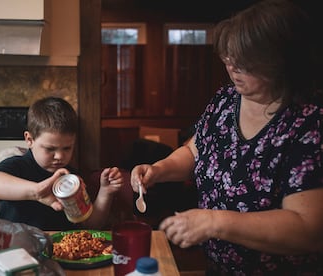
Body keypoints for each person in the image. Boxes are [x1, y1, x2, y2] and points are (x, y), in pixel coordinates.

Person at [130, 0, 323, 274]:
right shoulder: (225, 100)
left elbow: (307, 229)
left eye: (244, 63)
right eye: (229, 59)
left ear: (280, 61)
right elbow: (193, 151)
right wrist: (159, 170)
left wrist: (214, 222)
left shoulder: (309, 121)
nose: (231, 68)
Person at [0, 96, 124, 231]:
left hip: (58, 250)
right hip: (17, 251)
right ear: (29, 140)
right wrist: (36, 191)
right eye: (50, 149)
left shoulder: (71, 178)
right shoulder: (18, 165)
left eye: (67, 148)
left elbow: (91, 225)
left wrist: (106, 191)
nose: (60, 156)